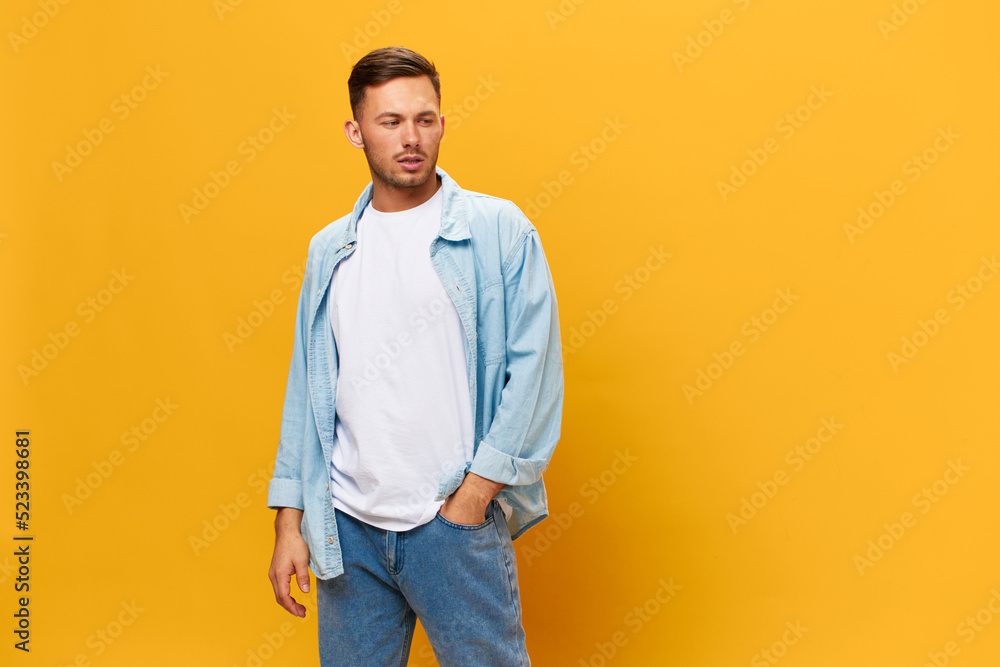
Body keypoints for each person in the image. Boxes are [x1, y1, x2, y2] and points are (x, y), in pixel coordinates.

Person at [265, 46, 564, 666]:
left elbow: (534, 371)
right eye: (390, 121)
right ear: (356, 131)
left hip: (450, 523)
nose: (411, 138)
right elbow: (308, 387)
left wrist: (475, 496)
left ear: (442, 124)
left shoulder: (498, 230)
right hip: (347, 527)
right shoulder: (331, 250)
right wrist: (290, 520)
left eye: (424, 120)